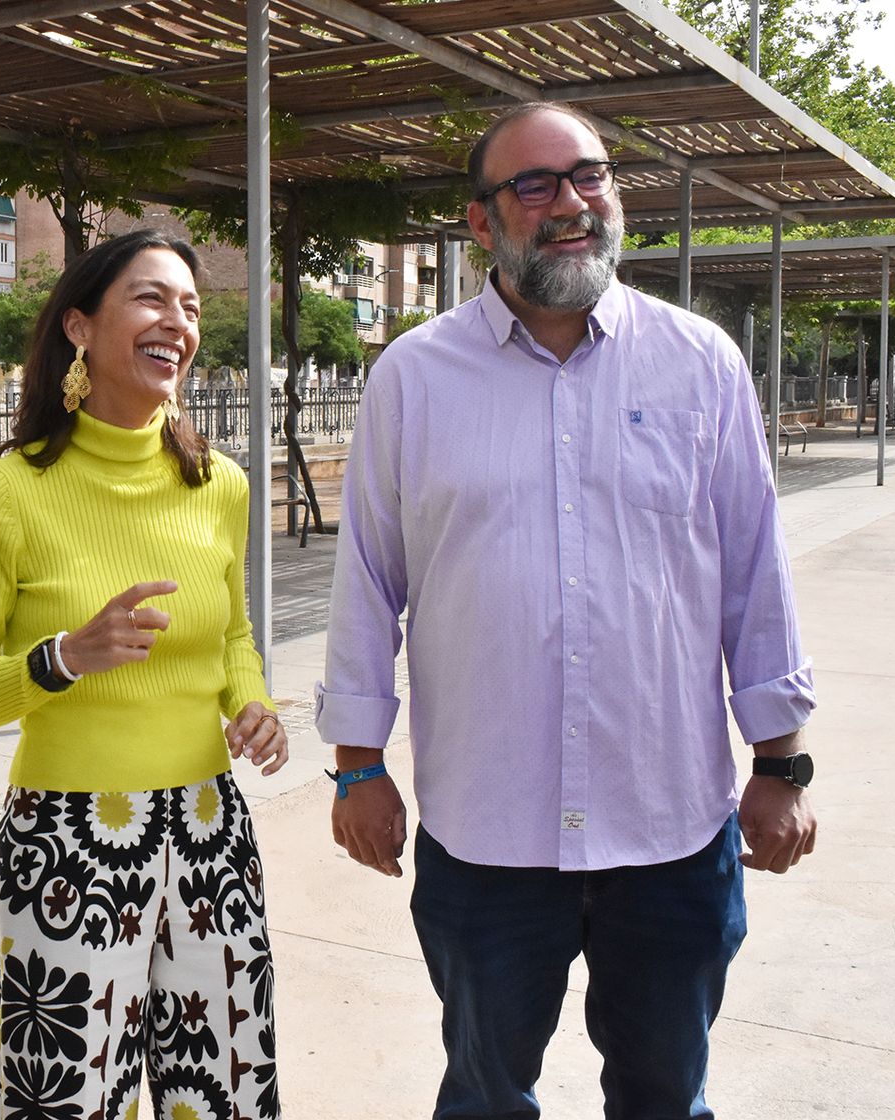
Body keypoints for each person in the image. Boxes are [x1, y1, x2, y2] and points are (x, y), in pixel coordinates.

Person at [318, 102, 818, 1120]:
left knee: (665, 1097)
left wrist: (781, 764)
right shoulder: (413, 376)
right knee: (485, 1096)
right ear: (480, 220)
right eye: (535, 185)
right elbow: (368, 579)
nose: (571, 204)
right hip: (487, 836)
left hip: (668, 829)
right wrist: (357, 767)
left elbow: (753, 574)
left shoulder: (700, 363)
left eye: (589, 175)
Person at [0, 230, 288, 1120]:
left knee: (227, 1099)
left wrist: (252, 702)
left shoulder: (222, 484)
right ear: (80, 327)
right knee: (70, 1104)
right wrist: (63, 659)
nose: (178, 322)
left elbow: (233, 636)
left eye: (190, 306)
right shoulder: (7, 493)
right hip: (67, 845)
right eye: (151, 298)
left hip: (210, 835)